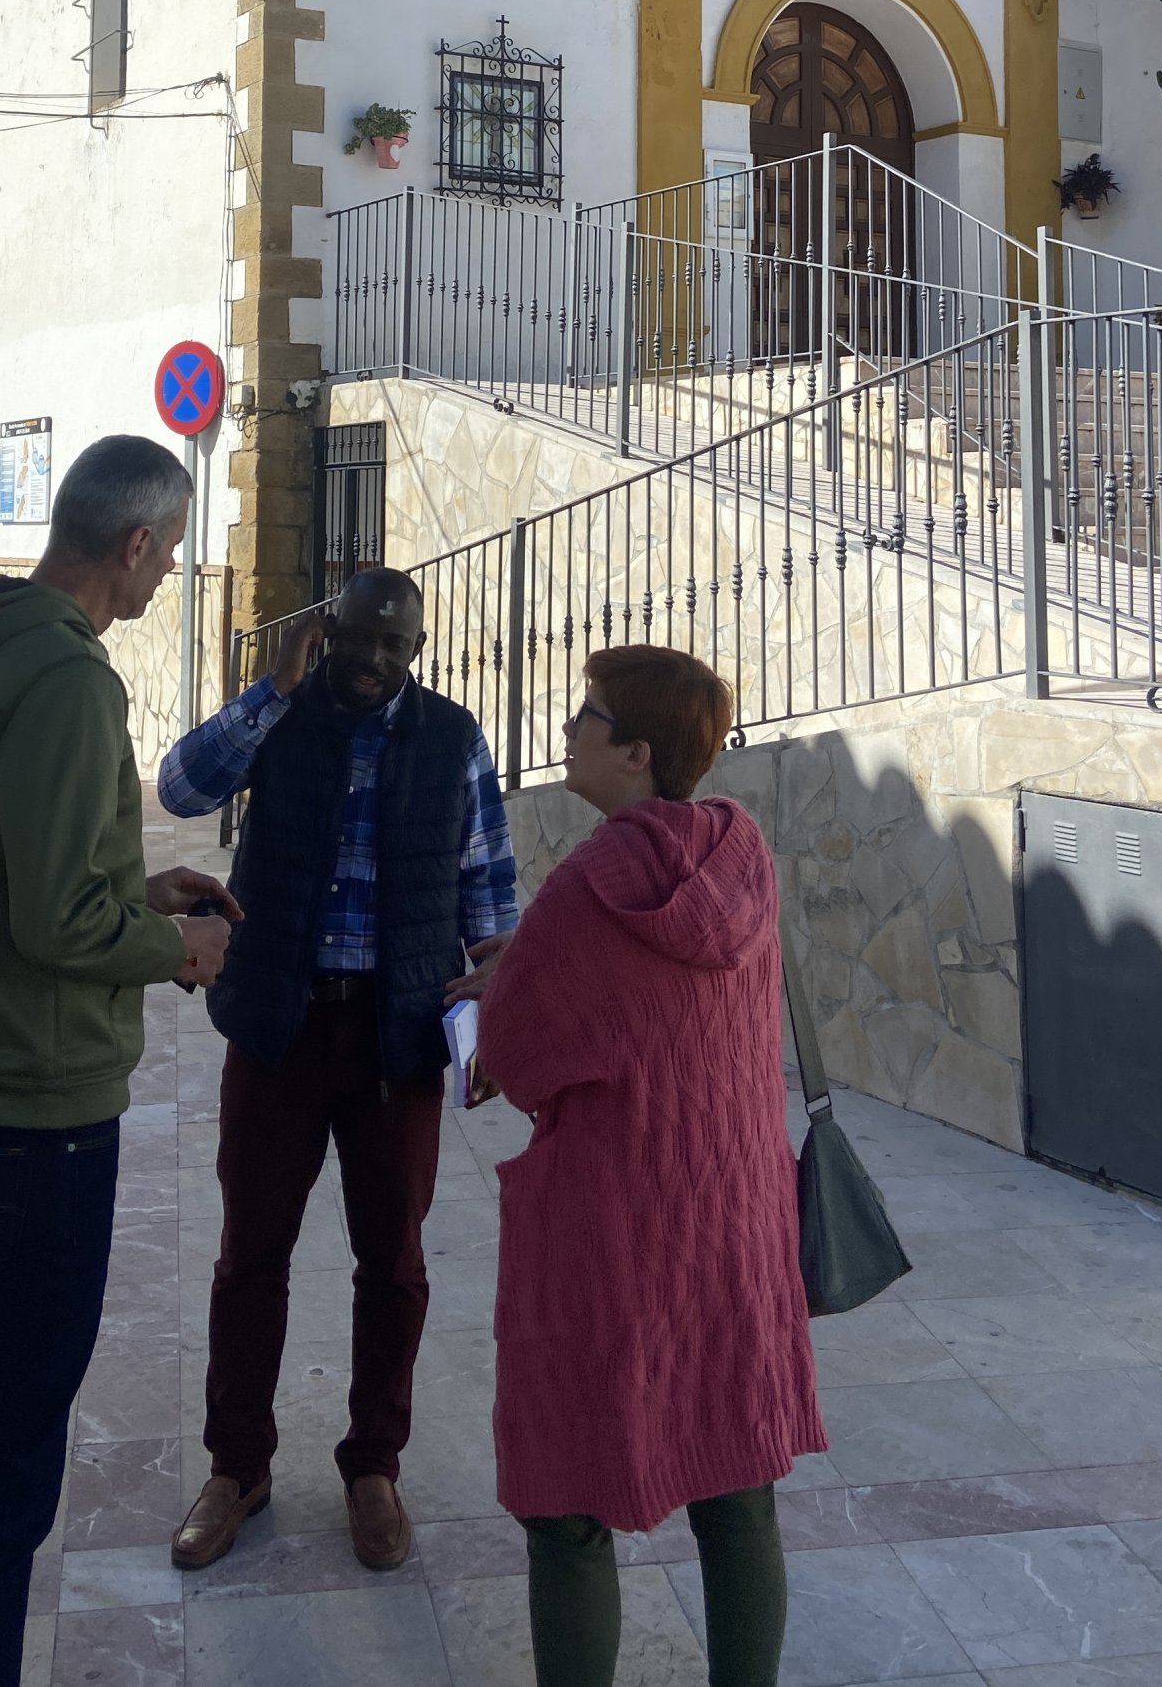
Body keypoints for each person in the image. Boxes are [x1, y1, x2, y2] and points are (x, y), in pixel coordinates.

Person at [0, 435, 239, 1687]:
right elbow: (56, 925)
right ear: (133, 544)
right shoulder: (72, 681)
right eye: (168, 550)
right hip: (34, 1117)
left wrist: (130, 890)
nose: (168, 570)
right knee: (4, 1465)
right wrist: (177, 946)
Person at [472, 645, 826, 1687]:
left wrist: (502, 990)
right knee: (736, 1481)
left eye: (588, 716)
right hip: (733, 1218)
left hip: (612, 1233)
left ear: (634, 752)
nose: (568, 728)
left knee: (566, 1505)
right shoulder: (743, 856)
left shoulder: (588, 885)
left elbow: (520, 1055)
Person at [159, 569, 518, 1574]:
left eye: (391, 645)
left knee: (392, 1262)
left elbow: (488, 890)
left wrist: (496, 1013)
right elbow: (182, 786)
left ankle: (373, 1466)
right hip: (279, 1023)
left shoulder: (453, 739)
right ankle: (237, 1467)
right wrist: (274, 687)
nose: (370, 659)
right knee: (250, 1256)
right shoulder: (280, 716)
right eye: (357, 637)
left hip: (394, 1039)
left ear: (415, 650)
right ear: (330, 630)